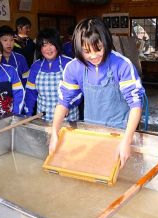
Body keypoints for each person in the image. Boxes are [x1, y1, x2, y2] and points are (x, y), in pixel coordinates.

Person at [48, 17, 145, 168]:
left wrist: (127, 140)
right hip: (92, 130)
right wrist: (54, 132)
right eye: (86, 51)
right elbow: (64, 101)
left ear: (106, 42)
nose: (93, 56)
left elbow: (136, 105)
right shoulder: (74, 67)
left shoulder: (122, 65)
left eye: (98, 49)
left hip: (121, 131)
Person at [24, 28, 78, 121]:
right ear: (40, 48)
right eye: (44, 45)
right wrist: (28, 114)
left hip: (67, 119)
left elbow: (78, 91)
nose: (48, 49)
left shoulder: (69, 64)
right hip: (44, 118)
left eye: (52, 44)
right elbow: (30, 93)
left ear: (57, 45)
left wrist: (68, 106)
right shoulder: (36, 66)